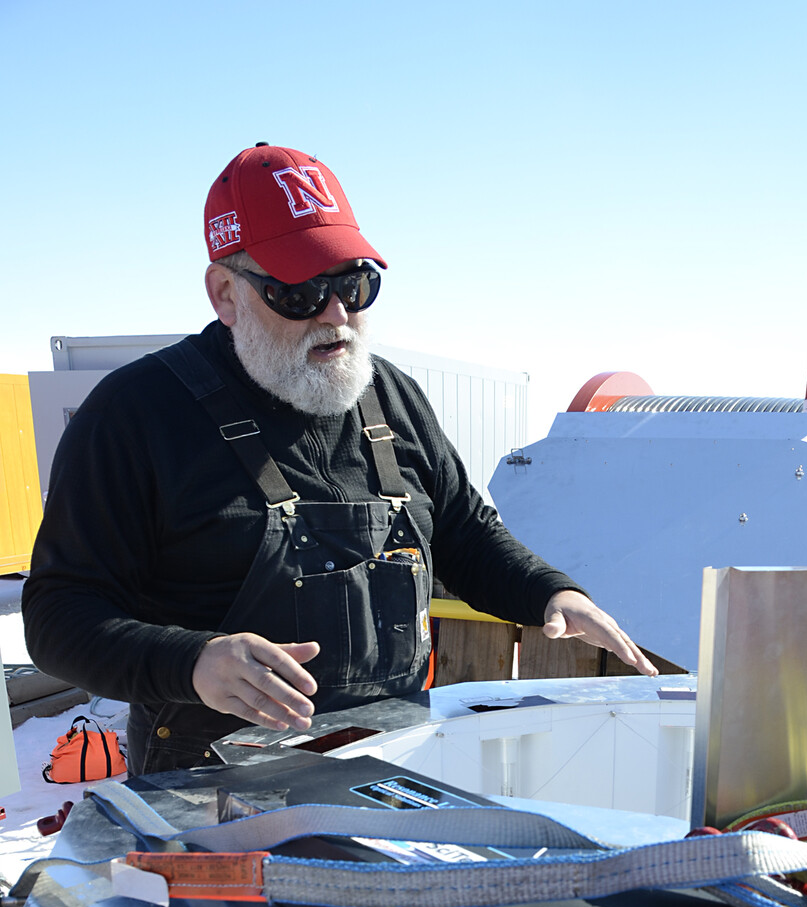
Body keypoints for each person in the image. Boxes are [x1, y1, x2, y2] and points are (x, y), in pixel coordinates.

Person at [23, 143, 655, 775]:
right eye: (298, 292)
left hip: (394, 771)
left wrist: (548, 592)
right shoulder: (135, 415)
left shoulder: (393, 398)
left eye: (355, 285)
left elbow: (463, 531)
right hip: (215, 802)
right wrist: (192, 661)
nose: (336, 315)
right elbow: (59, 617)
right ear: (225, 293)